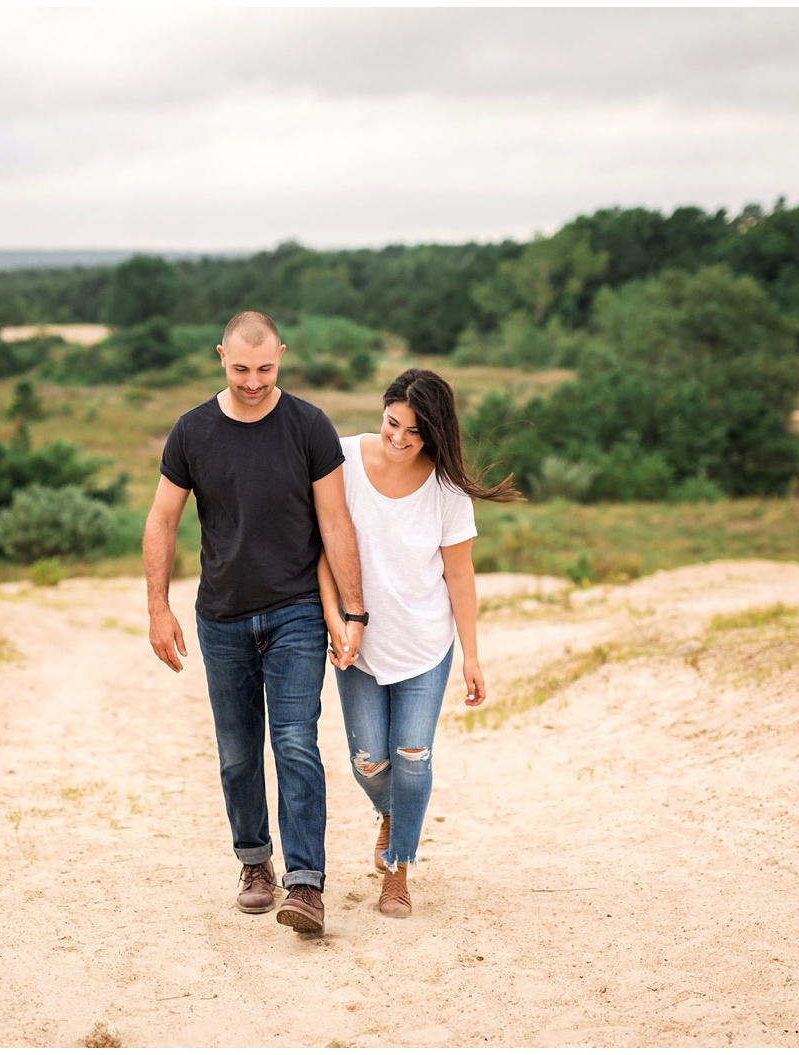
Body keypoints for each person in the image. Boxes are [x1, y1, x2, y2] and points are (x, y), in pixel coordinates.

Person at [143, 310, 365, 935]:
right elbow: (161, 521)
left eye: (265, 368)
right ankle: (255, 864)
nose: (252, 380)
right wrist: (158, 607)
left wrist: (352, 611)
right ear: (220, 357)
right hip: (221, 619)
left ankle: (306, 885)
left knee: (295, 742)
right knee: (239, 754)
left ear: (282, 356)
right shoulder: (192, 432)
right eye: (241, 368)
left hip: (296, 610)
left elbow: (336, 522)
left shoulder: (308, 426)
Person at [317, 367, 519, 917]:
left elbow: (460, 575)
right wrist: (335, 619)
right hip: (357, 641)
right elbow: (323, 547)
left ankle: (398, 871)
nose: (400, 439)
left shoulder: (448, 491)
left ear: (434, 433)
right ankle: (393, 816)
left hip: (426, 644)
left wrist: (472, 655)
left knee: (412, 756)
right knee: (368, 762)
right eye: (392, 423)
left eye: (415, 431)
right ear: (381, 413)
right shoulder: (341, 459)